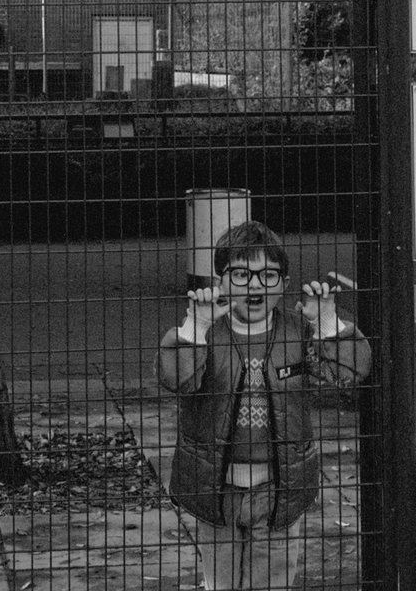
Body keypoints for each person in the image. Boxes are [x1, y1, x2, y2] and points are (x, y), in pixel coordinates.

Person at [158, 219, 371, 591]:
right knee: (220, 581)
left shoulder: (298, 331)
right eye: (240, 274)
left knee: (272, 579)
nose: (254, 285)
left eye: (268, 275)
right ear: (220, 281)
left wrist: (326, 321)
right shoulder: (208, 330)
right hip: (215, 485)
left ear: (284, 284)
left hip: (279, 486)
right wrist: (194, 327)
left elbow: (349, 373)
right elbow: (177, 380)